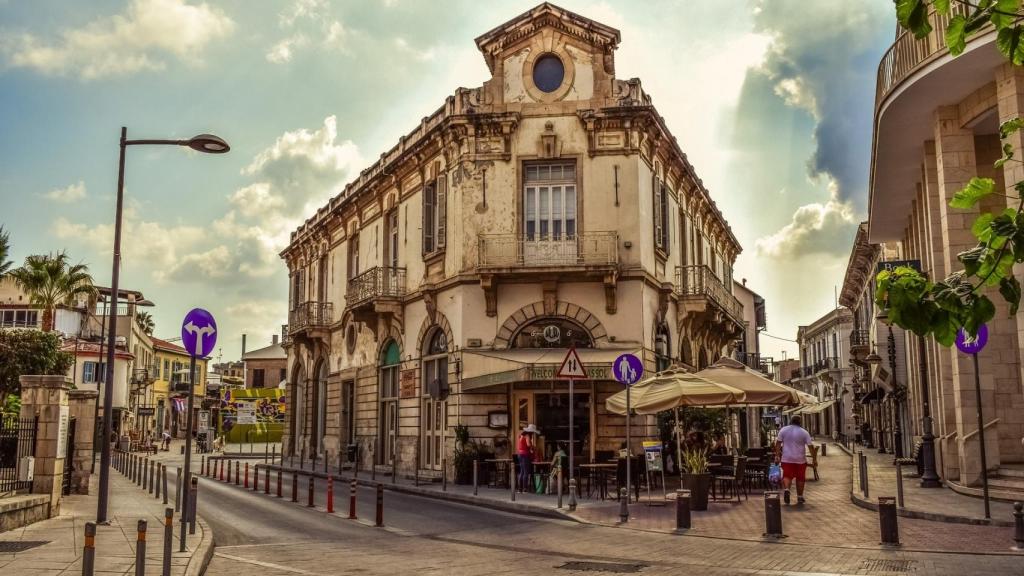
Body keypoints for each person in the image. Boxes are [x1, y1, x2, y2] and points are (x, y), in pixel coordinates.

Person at [775, 415, 813, 505]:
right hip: (800, 459)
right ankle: (800, 497)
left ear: (790, 421)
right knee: (800, 478)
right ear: (800, 422)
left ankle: (787, 489)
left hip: (786, 458)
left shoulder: (783, 430)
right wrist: (814, 459)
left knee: (787, 476)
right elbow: (810, 446)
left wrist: (777, 455)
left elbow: (778, 443)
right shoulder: (804, 432)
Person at [517, 424, 538, 493]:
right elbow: (528, 444)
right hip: (525, 455)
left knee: (522, 472)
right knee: (526, 472)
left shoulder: (522, 435)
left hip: (520, 454)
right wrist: (533, 447)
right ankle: (525, 489)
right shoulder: (527, 435)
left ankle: (520, 489)